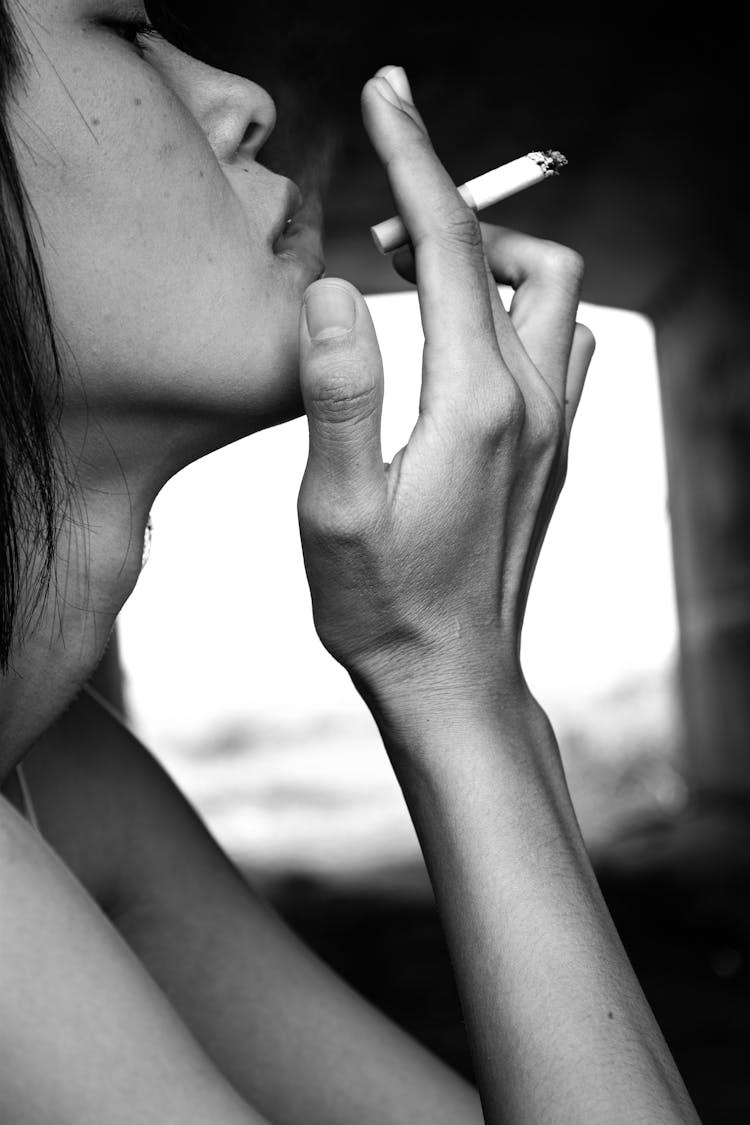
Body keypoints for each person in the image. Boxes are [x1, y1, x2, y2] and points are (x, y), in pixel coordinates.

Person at [0, 0, 701, 1121]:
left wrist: (453, 672)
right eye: (126, 34)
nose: (246, 101)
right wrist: (455, 686)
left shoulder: (66, 784)